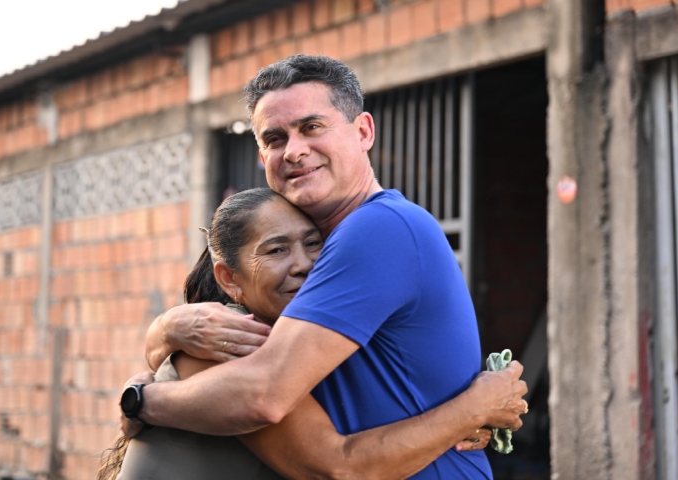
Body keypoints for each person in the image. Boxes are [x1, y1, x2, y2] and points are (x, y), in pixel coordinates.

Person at [122, 55, 528, 479]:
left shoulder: (379, 228)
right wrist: (165, 331)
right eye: (275, 139)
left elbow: (264, 395)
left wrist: (141, 401)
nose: (294, 151)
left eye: (312, 127)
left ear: (364, 131)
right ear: (262, 156)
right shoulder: (317, 261)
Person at [101, 187, 501, 479]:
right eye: (276, 250)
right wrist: (472, 407)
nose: (305, 265)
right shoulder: (226, 340)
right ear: (229, 279)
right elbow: (338, 466)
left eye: (315, 245)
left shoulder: (296, 343)